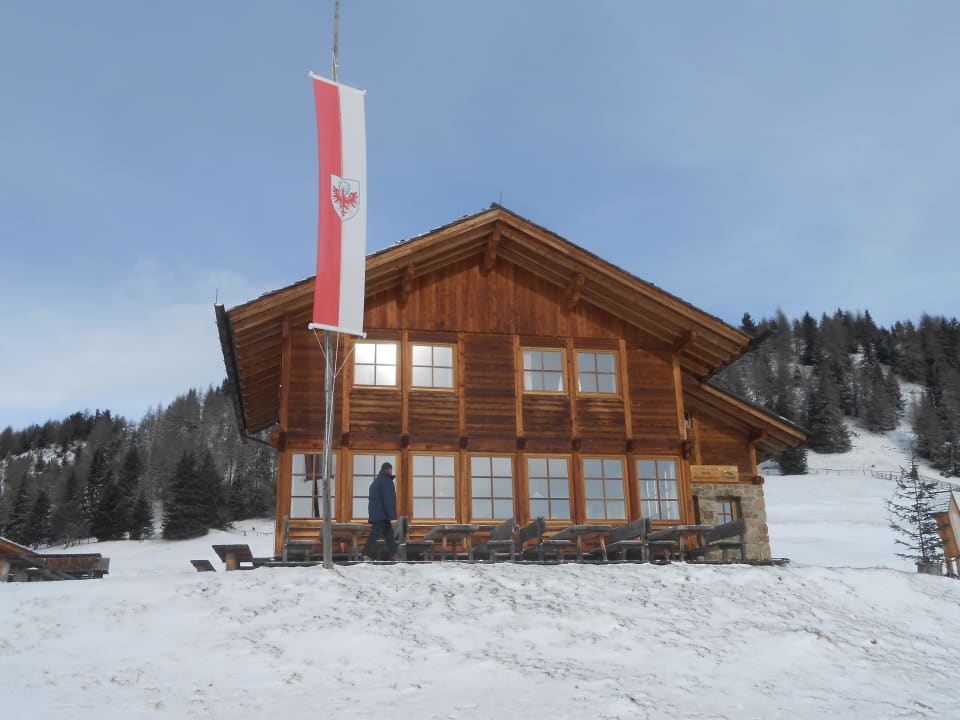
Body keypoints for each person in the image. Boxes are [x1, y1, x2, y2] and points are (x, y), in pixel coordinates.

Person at [362, 461, 398, 560]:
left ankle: (394, 554)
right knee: (375, 535)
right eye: (391, 469)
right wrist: (391, 514)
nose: (391, 471)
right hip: (382, 514)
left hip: (378, 513)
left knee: (389, 535)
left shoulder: (376, 481)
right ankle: (365, 554)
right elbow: (388, 499)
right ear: (389, 469)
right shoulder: (386, 481)